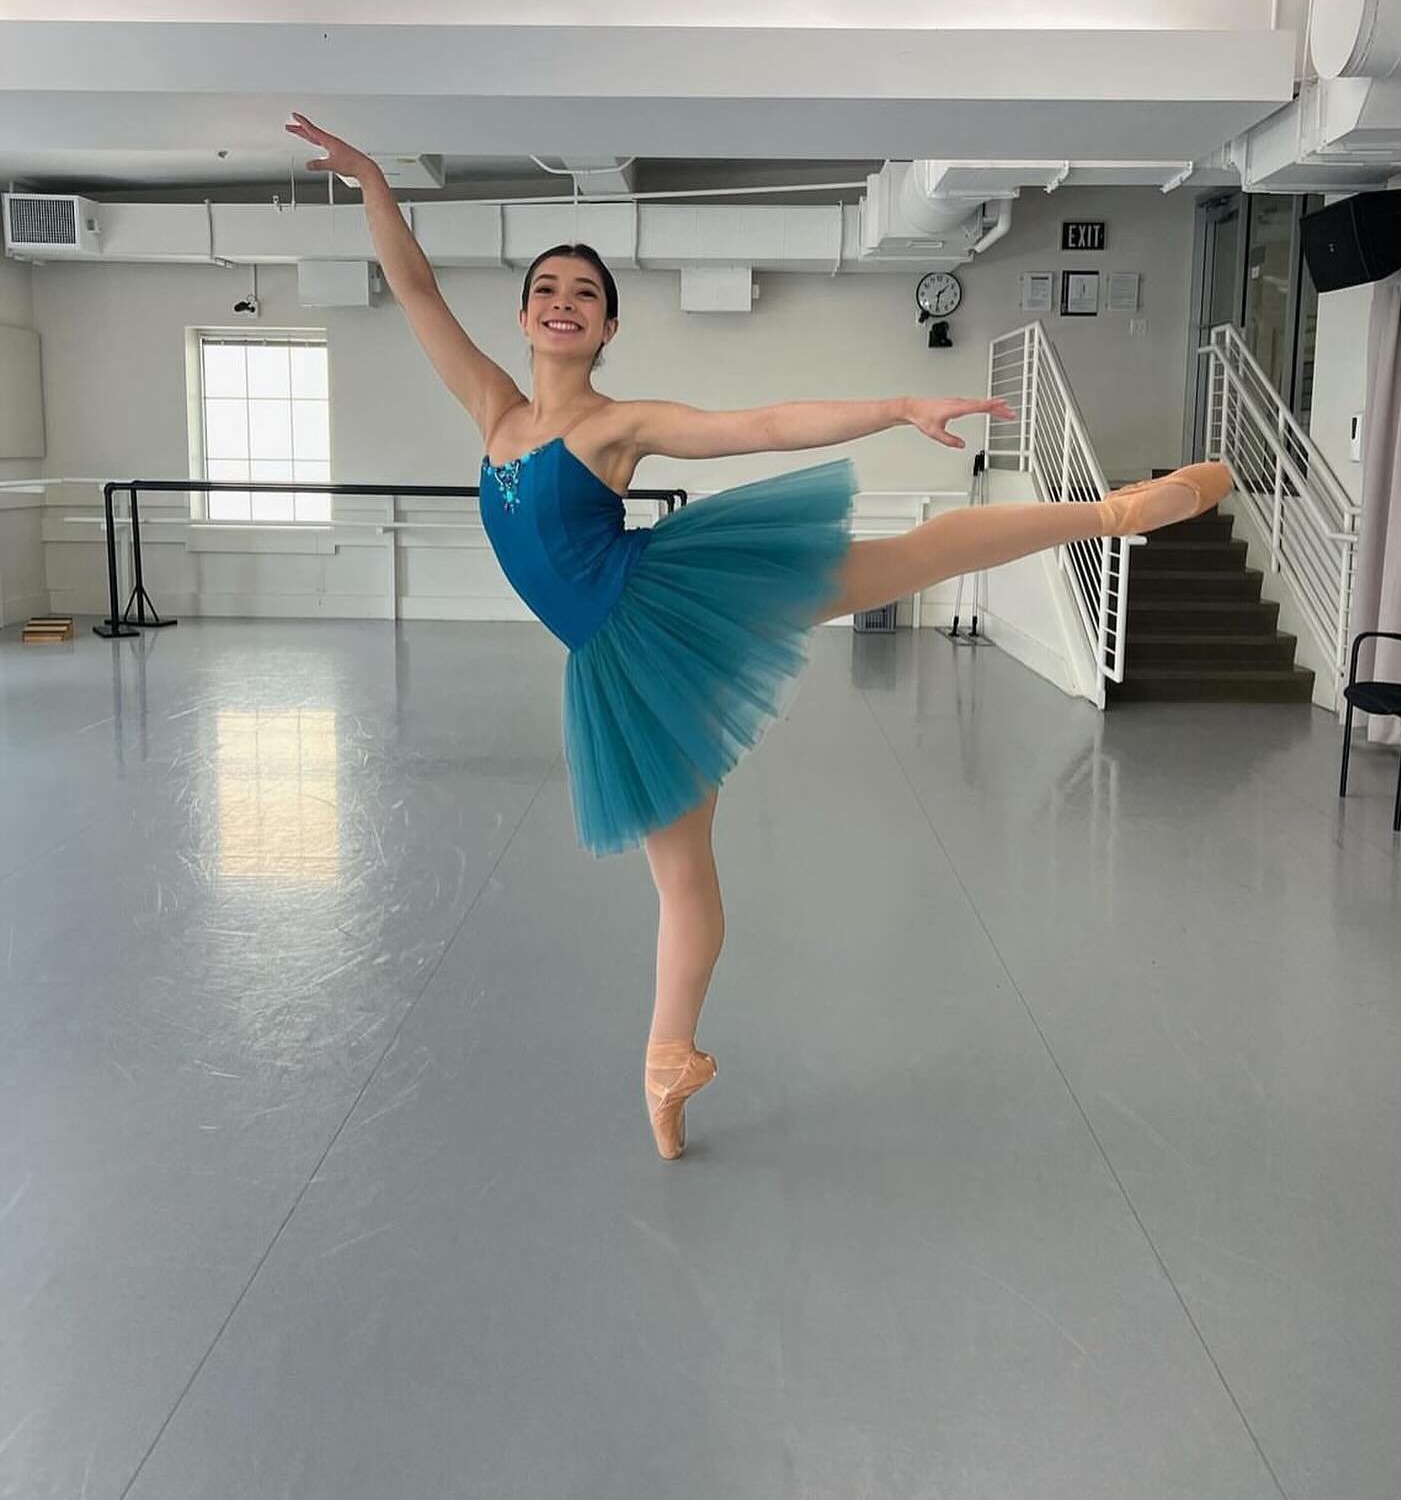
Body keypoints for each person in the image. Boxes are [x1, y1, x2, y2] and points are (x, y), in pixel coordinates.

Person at [284, 113, 1233, 1160]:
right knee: (683, 881)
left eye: (585, 296)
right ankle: (666, 1065)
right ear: (521, 317)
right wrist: (372, 179)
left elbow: (764, 427)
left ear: (606, 331)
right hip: (615, 669)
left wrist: (895, 404)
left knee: (907, 560)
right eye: (548, 290)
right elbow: (415, 289)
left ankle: (1109, 515)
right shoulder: (492, 410)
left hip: (670, 601)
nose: (564, 303)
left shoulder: (615, 423)